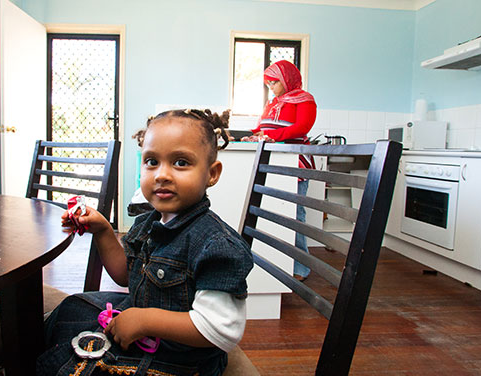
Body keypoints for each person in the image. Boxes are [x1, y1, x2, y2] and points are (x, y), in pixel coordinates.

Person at [37, 109, 254, 376]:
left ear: (212, 173)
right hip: (147, 334)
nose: (162, 174)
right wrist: (103, 230)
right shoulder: (146, 223)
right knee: (70, 310)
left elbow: (220, 329)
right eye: (152, 161)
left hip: (181, 359)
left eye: (181, 162)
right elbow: (124, 275)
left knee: (71, 367)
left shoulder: (216, 245)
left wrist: (145, 320)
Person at [251, 60, 317, 281]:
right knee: (274, 210)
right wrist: (252, 134)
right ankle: (277, 262)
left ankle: (300, 268)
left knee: (294, 215)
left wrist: (272, 136)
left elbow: (302, 127)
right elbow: (262, 126)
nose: (271, 86)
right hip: (272, 160)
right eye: (268, 83)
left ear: (287, 79)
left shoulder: (304, 100)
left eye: (274, 81)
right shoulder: (273, 102)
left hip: (295, 162)